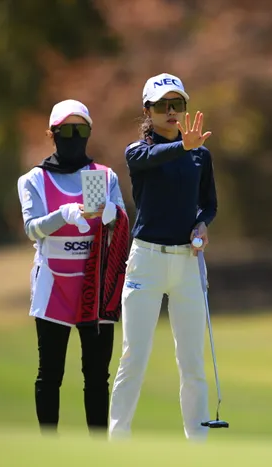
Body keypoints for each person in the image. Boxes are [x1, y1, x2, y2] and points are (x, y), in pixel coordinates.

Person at [108, 73, 217, 442]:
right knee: (134, 356)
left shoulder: (200, 155)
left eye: (177, 104)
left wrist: (202, 224)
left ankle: (198, 445)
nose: (171, 111)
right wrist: (183, 146)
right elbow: (155, 157)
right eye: (162, 105)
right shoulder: (138, 152)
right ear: (147, 110)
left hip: (187, 262)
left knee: (192, 362)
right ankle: (116, 443)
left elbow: (209, 205)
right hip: (146, 262)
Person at [16, 99, 130, 435]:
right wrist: (63, 215)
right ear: (52, 134)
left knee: (96, 376)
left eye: (81, 130)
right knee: (50, 374)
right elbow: (32, 228)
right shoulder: (34, 180)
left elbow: (122, 223)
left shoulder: (104, 176)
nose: (74, 137)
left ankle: (97, 450)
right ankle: (50, 449)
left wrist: (111, 213)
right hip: (53, 285)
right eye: (66, 130)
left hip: (96, 286)